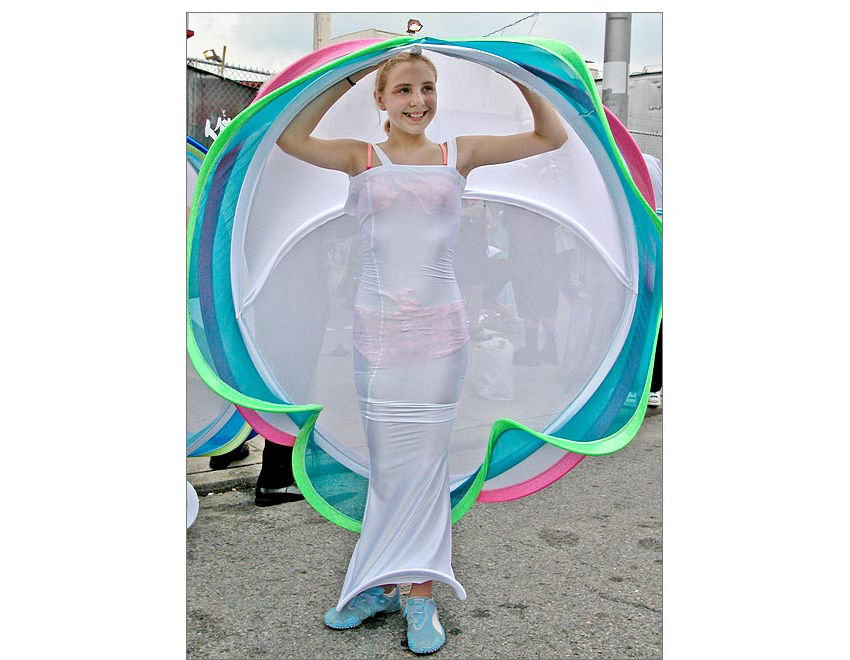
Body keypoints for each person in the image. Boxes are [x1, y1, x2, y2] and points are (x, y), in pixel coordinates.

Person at [276, 48, 567, 654]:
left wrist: (520, 76)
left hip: (441, 338)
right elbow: (289, 137)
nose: (418, 101)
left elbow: (550, 135)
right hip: (377, 336)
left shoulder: (456, 154)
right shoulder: (362, 158)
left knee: (427, 470)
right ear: (381, 101)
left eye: (427, 88)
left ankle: (420, 594)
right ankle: (383, 584)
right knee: (389, 471)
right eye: (403, 90)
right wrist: (352, 74)